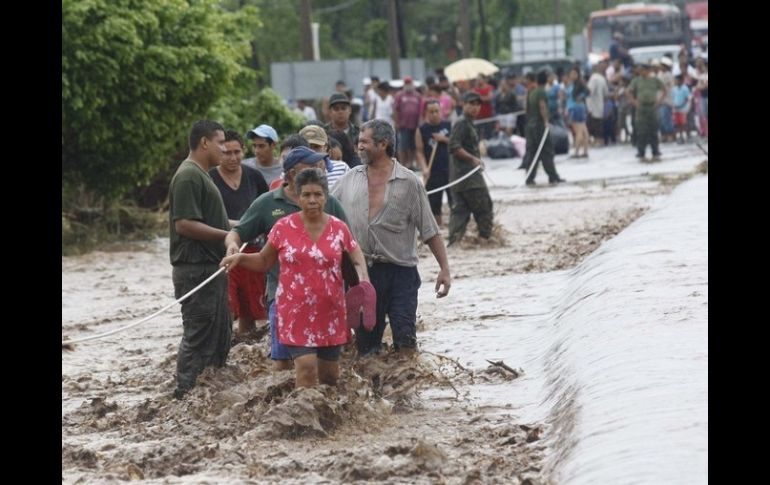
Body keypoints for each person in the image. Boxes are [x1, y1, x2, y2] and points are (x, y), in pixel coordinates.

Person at [222, 168, 368, 387]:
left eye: (318, 194)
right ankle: (304, 419)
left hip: (330, 311)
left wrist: (363, 286)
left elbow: (357, 259)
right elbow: (263, 261)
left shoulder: (339, 228)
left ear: (325, 197)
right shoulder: (283, 227)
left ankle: (328, 418)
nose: (312, 200)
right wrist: (240, 258)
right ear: (298, 197)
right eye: (306, 195)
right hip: (295, 310)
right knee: (307, 366)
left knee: (329, 377)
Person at [332, 119, 451, 356]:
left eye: (364, 142)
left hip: (401, 274)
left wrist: (444, 269)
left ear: (383, 144)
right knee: (367, 348)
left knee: (405, 341)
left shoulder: (409, 182)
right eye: (358, 142)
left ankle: (407, 391)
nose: (359, 147)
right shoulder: (350, 179)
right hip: (362, 274)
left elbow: (429, 230)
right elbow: (326, 215)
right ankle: (372, 391)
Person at [168, 120, 231, 399]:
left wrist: (241, 229)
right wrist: (226, 236)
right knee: (198, 337)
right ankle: (185, 397)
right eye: (220, 142)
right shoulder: (189, 176)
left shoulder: (202, 175)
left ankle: (207, 400)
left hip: (210, 270)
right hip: (196, 271)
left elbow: (212, 221)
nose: (225, 149)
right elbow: (184, 224)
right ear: (204, 142)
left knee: (218, 339)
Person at [208, 130, 269, 338]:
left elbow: (267, 209)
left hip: (252, 252)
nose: (233, 158)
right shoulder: (210, 179)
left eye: (237, 152)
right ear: (219, 153)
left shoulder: (254, 176)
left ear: (244, 151)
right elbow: (207, 218)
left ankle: (244, 348)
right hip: (223, 251)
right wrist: (242, 225)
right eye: (227, 153)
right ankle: (223, 347)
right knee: (228, 307)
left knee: (251, 311)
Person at [447, 92, 494, 246]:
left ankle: (454, 244)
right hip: (468, 176)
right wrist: (473, 159)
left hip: (460, 176)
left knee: (460, 211)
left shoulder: (469, 123)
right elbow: (454, 147)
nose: (475, 107)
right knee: (484, 207)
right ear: (464, 104)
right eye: (471, 104)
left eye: (477, 104)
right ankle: (484, 240)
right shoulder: (461, 123)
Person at [524, 71, 566, 186]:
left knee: (532, 153)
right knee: (547, 151)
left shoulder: (531, 92)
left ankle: (529, 178)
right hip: (539, 125)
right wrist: (546, 121)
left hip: (530, 126)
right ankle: (553, 177)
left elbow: (526, 110)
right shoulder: (541, 92)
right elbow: (542, 106)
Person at [415, 100, 452, 227]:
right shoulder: (422, 130)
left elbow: (457, 144)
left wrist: (444, 139)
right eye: (431, 112)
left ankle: (455, 228)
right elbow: (419, 152)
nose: (435, 114)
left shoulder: (448, 125)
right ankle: (438, 228)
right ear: (426, 113)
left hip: (450, 169)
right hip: (433, 171)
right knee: (434, 202)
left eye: (437, 111)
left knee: (455, 200)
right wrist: (424, 168)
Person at [627, 63, 666, 161]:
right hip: (641, 108)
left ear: (648, 70)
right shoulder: (636, 80)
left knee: (653, 129)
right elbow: (628, 92)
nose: (640, 71)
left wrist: (659, 101)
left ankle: (655, 151)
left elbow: (664, 90)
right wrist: (634, 101)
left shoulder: (655, 80)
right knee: (641, 130)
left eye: (642, 70)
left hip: (652, 107)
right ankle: (641, 152)